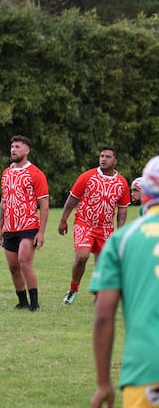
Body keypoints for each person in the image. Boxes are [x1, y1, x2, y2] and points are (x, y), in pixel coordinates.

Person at [90, 155, 159, 408]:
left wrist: (103, 383)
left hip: (146, 370)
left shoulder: (122, 240)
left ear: (146, 193)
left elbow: (103, 315)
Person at [57, 146, 130, 306]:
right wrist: (63, 220)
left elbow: (122, 210)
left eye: (108, 156)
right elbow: (72, 200)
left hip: (105, 229)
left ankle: (98, 293)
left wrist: (120, 231)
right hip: (85, 223)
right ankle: (73, 290)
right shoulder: (88, 176)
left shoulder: (122, 183)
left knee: (103, 264)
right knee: (82, 257)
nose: (103, 159)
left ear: (115, 161)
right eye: (102, 156)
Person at [0, 135, 49, 311]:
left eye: (17, 146)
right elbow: (4, 202)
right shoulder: (6, 173)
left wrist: (41, 232)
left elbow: (44, 205)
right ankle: (22, 302)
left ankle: (35, 303)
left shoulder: (36, 173)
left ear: (27, 150)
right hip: (10, 227)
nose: (13, 150)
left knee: (24, 262)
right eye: (12, 146)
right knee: (13, 267)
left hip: (29, 226)